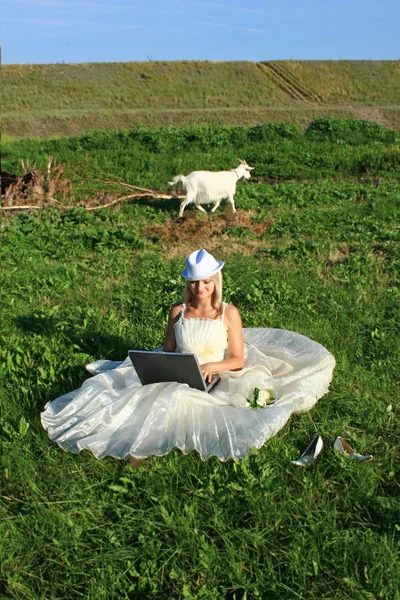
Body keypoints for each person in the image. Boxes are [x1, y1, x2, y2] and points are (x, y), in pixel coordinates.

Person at [41, 249, 335, 462]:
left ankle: (144, 451)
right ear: (188, 284)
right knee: (139, 397)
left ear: (215, 281)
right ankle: (137, 444)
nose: (200, 288)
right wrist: (159, 365)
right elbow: (168, 349)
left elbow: (238, 360)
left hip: (215, 374)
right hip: (180, 369)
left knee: (175, 401)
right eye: (195, 282)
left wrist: (212, 365)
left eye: (206, 281)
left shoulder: (228, 312)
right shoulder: (178, 311)